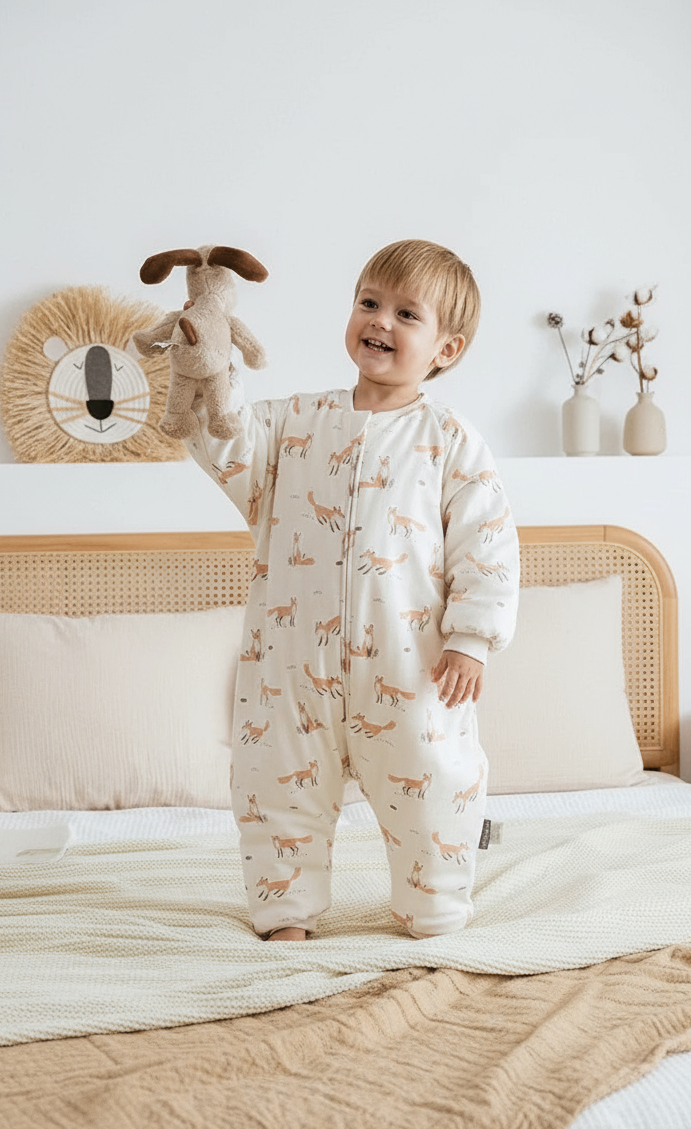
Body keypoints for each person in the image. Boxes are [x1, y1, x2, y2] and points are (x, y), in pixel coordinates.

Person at [185, 238, 519, 940]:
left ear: (446, 350)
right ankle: (285, 911)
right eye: (369, 302)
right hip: (288, 665)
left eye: (406, 313)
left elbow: (485, 544)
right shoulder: (294, 423)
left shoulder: (449, 441)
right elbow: (227, 442)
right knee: (279, 782)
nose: (381, 321)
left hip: (409, 666)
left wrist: (470, 640)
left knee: (432, 786)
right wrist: (209, 372)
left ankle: (434, 906)